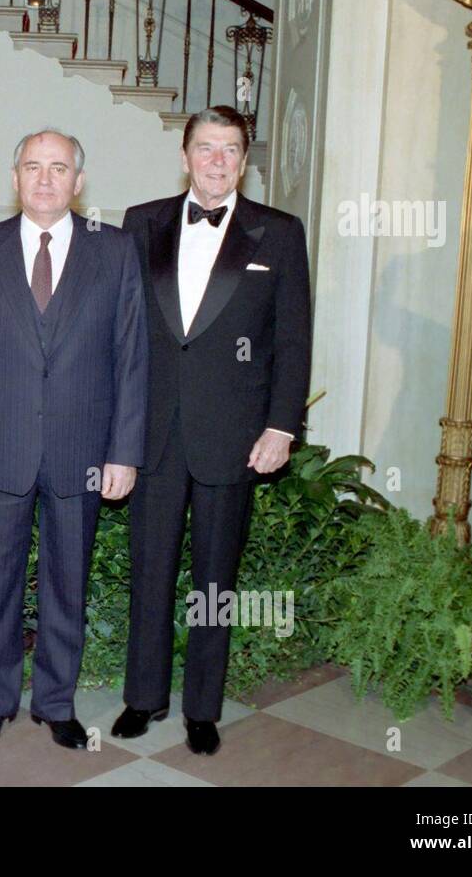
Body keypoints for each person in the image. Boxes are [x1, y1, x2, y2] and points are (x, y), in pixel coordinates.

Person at [112, 106, 311, 755]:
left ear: (245, 161)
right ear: (185, 154)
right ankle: (142, 697)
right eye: (206, 147)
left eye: (230, 149)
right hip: (156, 432)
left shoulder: (278, 232)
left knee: (215, 583)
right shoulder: (142, 222)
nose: (217, 160)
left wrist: (283, 425)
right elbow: (124, 332)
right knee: (150, 571)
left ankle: (203, 707)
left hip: (235, 433)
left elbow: (293, 337)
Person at [0, 128, 148, 750]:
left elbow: (132, 356)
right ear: (14, 178)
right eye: (32, 166)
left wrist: (124, 451)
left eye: (58, 168)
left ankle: (56, 701)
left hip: (82, 453)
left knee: (68, 582)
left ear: (78, 182)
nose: (44, 178)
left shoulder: (114, 251)